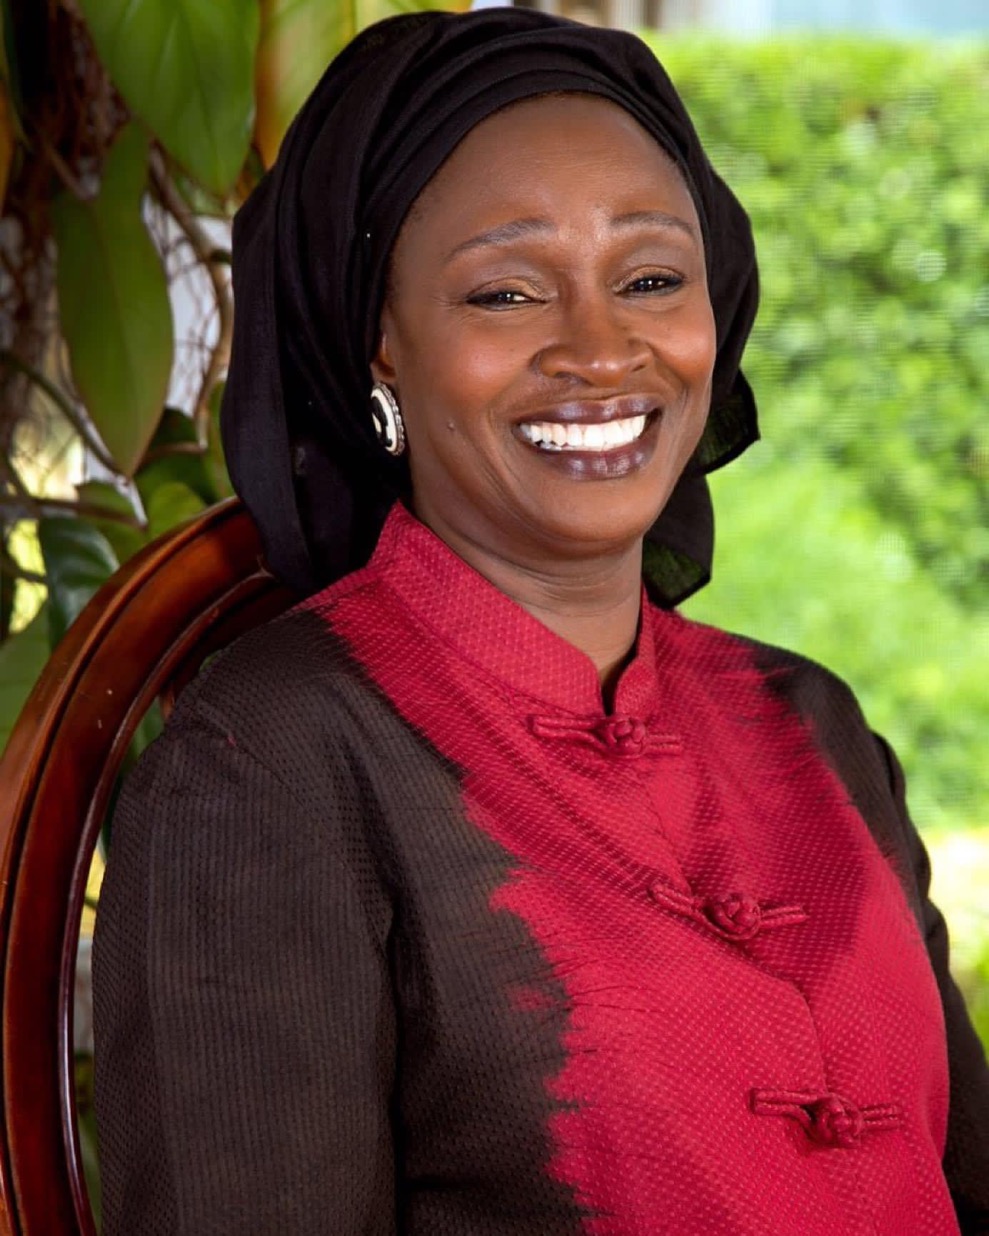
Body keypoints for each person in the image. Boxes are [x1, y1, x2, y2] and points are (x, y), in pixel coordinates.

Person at [92, 9, 989, 1234]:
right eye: (506, 292)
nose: (601, 351)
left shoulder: (810, 724)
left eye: (650, 280)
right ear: (379, 344)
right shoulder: (268, 765)